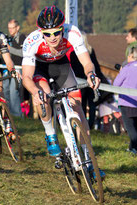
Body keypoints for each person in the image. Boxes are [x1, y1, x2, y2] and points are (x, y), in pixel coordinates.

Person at [21, 6, 104, 178]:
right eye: (48, 34)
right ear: (41, 32)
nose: (52, 37)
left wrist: (90, 74)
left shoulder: (72, 33)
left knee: (78, 107)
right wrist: (35, 92)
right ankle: (50, 134)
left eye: (56, 33)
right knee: (43, 96)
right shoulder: (32, 41)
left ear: (62, 29)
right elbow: (27, 77)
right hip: (40, 69)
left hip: (61, 67)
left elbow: (86, 62)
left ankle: (89, 161)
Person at [68, 33, 114, 129]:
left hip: (81, 81)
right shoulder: (90, 50)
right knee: (92, 103)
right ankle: (90, 124)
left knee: (83, 103)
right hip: (90, 79)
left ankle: (83, 123)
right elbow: (95, 65)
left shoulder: (74, 52)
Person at [113, 46, 137, 155]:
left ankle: (136, 149)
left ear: (132, 56)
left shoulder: (127, 69)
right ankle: (131, 147)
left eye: (128, 55)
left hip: (127, 101)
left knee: (130, 127)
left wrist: (121, 72)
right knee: (134, 125)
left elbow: (116, 84)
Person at [3, 19, 26, 117]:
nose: (10, 30)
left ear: (18, 28)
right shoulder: (9, 38)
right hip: (9, 68)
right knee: (5, 90)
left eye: (12, 28)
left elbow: (22, 53)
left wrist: (9, 48)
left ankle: (17, 115)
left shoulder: (22, 37)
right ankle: (9, 113)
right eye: (9, 28)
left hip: (19, 68)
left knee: (13, 91)